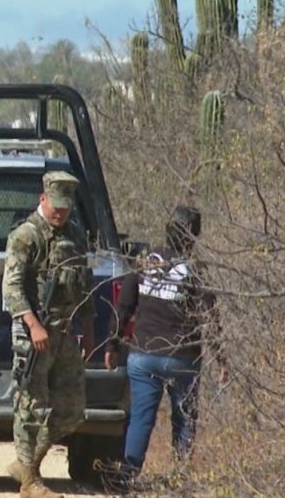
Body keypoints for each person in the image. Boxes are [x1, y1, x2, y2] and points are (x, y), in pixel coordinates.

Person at [104, 205, 225, 480]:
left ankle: (129, 476)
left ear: (167, 231)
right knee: (184, 419)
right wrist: (221, 360)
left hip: (144, 354)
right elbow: (210, 318)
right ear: (195, 236)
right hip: (184, 357)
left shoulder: (145, 261)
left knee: (141, 419)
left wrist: (112, 345)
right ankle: (180, 478)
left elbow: (122, 307)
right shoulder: (195, 271)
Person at [3, 171, 97, 498]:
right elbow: (12, 288)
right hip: (34, 332)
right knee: (30, 405)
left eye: (66, 207)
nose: (60, 212)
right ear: (43, 198)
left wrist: (89, 327)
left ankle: (28, 464)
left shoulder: (75, 235)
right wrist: (33, 325)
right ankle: (30, 482)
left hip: (66, 330)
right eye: (55, 205)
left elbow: (84, 284)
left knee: (72, 409)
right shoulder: (26, 236)